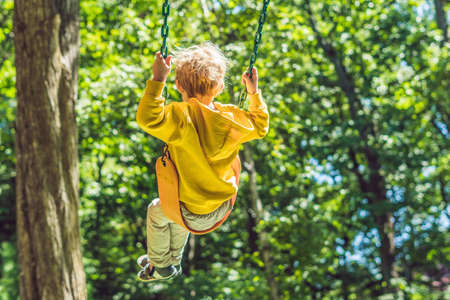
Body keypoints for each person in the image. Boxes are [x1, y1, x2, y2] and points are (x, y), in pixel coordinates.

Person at [136, 43, 269, 281]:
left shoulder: (179, 116)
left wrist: (157, 80)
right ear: (219, 87)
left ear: (178, 85)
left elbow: (147, 119)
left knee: (158, 211)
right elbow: (260, 125)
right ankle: (171, 262)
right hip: (221, 208)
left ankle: (160, 264)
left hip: (189, 210)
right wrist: (253, 93)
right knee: (177, 211)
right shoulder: (231, 119)